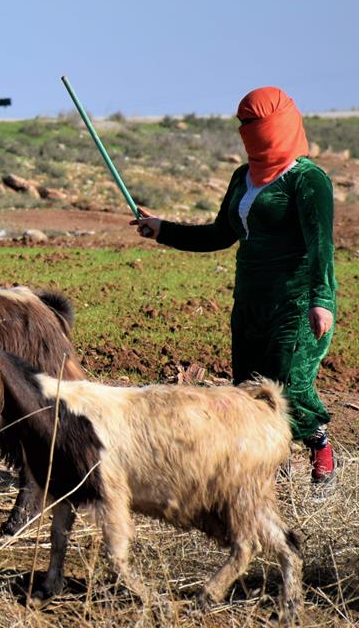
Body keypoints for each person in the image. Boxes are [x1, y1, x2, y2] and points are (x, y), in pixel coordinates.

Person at [132, 87, 338, 495]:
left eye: (256, 124)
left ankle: (320, 446)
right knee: (249, 389)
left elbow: (321, 245)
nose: (248, 131)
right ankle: (270, 467)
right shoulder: (242, 178)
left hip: (294, 302)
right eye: (243, 124)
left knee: (288, 386)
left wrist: (322, 300)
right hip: (249, 301)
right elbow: (220, 235)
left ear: (279, 125)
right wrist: (163, 230)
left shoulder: (307, 180)